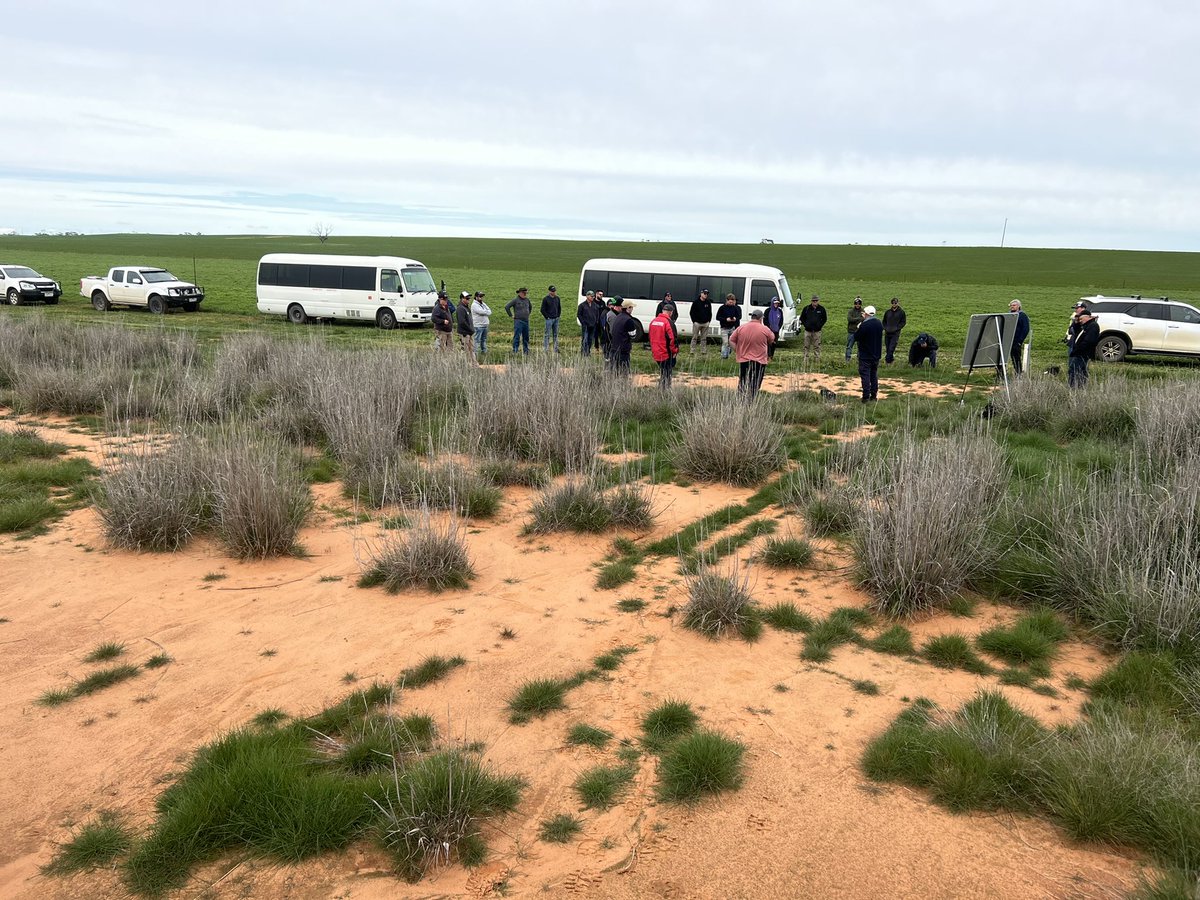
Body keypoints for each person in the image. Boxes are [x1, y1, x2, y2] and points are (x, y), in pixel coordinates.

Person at [728, 309, 775, 401]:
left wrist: (738, 350)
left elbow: (731, 340)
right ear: (761, 318)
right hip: (759, 360)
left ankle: (740, 399)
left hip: (744, 359)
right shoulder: (765, 329)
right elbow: (771, 339)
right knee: (756, 381)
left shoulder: (741, 328)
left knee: (743, 380)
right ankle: (751, 399)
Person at [854, 305, 884, 403]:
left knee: (865, 375)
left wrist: (859, 327)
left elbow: (857, 337)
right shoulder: (879, 323)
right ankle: (874, 395)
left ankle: (865, 397)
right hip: (876, 354)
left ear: (866, 314)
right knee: (874, 375)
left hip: (865, 355)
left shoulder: (864, 325)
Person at [649, 300, 679, 389]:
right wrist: (675, 352)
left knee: (663, 372)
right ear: (670, 312)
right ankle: (665, 390)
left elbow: (650, 337)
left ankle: (661, 389)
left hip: (656, 351)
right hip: (666, 353)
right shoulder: (669, 323)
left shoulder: (653, 321)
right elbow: (672, 339)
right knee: (667, 373)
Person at [1068, 305, 1100, 388]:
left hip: (1083, 353)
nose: (1080, 321)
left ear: (1087, 317)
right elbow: (1073, 331)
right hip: (1080, 352)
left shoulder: (1093, 326)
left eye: (1081, 319)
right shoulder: (1084, 326)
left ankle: (1074, 387)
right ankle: (1080, 386)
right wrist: (1076, 322)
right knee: (1081, 370)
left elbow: (1089, 341)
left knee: (1074, 369)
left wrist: (1077, 350)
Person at [609, 298, 638, 374]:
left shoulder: (618, 316)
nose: (632, 309)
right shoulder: (629, 320)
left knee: (615, 372)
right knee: (623, 372)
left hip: (614, 348)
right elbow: (633, 335)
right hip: (623, 350)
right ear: (628, 308)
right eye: (631, 307)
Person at [799, 294, 827, 369]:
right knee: (806, 346)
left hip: (817, 331)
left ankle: (817, 361)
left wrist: (819, 326)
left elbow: (824, 319)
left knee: (817, 346)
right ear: (811, 301)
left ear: (818, 301)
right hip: (808, 331)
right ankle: (805, 361)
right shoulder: (806, 308)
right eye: (813, 301)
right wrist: (806, 325)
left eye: (816, 301)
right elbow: (802, 318)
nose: (815, 302)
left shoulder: (821, 309)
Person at [505, 287, 532, 355]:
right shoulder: (515, 300)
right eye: (524, 293)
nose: (525, 294)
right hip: (518, 321)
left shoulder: (527, 300)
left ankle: (526, 350)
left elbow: (530, 307)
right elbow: (507, 307)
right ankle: (515, 350)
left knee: (526, 336)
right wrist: (511, 315)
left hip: (526, 321)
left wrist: (527, 314)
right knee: (517, 336)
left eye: (526, 293)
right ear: (520, 293)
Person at [716, 294, 742, 359]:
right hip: (724, 328)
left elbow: (739, 316)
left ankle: (728, 354)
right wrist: (725, 319)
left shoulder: (735, 308)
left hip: (732, 327)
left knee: (731, 342)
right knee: (725, 342)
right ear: (727, 301)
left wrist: (735, 318)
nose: (731, 303)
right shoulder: (722, 308)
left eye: (732, 302)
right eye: (730, 302)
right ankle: (724, 356)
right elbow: (717, 317)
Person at [1009, 299, 1031, 374]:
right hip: (1008, 340)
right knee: (1010, 358)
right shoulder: (1009, 315)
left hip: (1016, 341)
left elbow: (1026, 329)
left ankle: (1018, 373)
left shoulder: (1022, 315)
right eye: (1011, 305)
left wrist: (1020, 341)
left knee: (1016, 358)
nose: (1012, 307)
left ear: (1018, 306)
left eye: (1014, 305)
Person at [882, 297, 906, 364]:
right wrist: (885, 328)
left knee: (891, 348)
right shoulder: (887, 312)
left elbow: (903, 322)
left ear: (898, 303)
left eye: (895, 303)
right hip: (887, 332)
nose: (894, 304)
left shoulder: (901, 312)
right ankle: (891, 360)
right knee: (887, 348)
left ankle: (887, 362)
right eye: (893, 303)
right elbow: (884, 321)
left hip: (895, 333)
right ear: (891, 303)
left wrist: (897, 328)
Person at [578, 290, 601, 355]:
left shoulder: (595, 305)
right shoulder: (582, 305)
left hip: (593, 325)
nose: (592, 297)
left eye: (593, 296)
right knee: (585, 339)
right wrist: (583, 323)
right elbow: (579, 315)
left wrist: (596, 321)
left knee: (590, 340)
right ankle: (583, 352)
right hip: (585, 326)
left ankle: (588, 352)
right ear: (587, 296)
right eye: (591, 296)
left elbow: (597, 314)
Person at [690, 288, 713, 354]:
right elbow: (692, 312)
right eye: (704, 293)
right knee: (694, 337)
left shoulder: (708, 302)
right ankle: (692, 350)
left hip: (705, 323)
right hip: (697, 323)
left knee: (704, 338)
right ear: (701, 294)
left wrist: (708, 321)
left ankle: (703, 351)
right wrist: (694, 321)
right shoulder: (696, 302)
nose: (706, 295)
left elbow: (710, 313)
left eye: (707, 294)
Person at [541, 285, 561, 353]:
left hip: (556, 319)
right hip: (549, 320)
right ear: (549, 291)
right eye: (552, 291)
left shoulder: (557, 298)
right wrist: (547, 317)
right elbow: (542, 310)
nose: (554, 292)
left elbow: (559, 308)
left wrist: (558, 315)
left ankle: (556, 348)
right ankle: (546, 349)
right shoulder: (545, 299)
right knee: (547, 334)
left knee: (555, 334)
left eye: (554, 291)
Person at [456, 290, 475, 359]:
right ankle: (465, 365)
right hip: (465, 333)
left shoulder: (466, 307)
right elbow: (462, 322)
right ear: (462, 299)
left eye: (469, 298)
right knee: (465, 351)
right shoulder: (461, 308)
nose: (468, 300)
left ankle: (473, 365)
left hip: (469, 333)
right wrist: (470, 330)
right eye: (467, 298)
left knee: (471, 350)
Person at [846, 296, 864, 363]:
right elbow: (849, 319)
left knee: (860, 347)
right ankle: (847, 360)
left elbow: (863, 319)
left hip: (860, 332)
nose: (857, 305)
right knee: (849, 346)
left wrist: (855, 319)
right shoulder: (851, 311)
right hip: (851, 331)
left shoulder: (863, 311)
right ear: (854, 304)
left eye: (859, 304)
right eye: (856, 303)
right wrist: (858, 318)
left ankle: (860, 360)